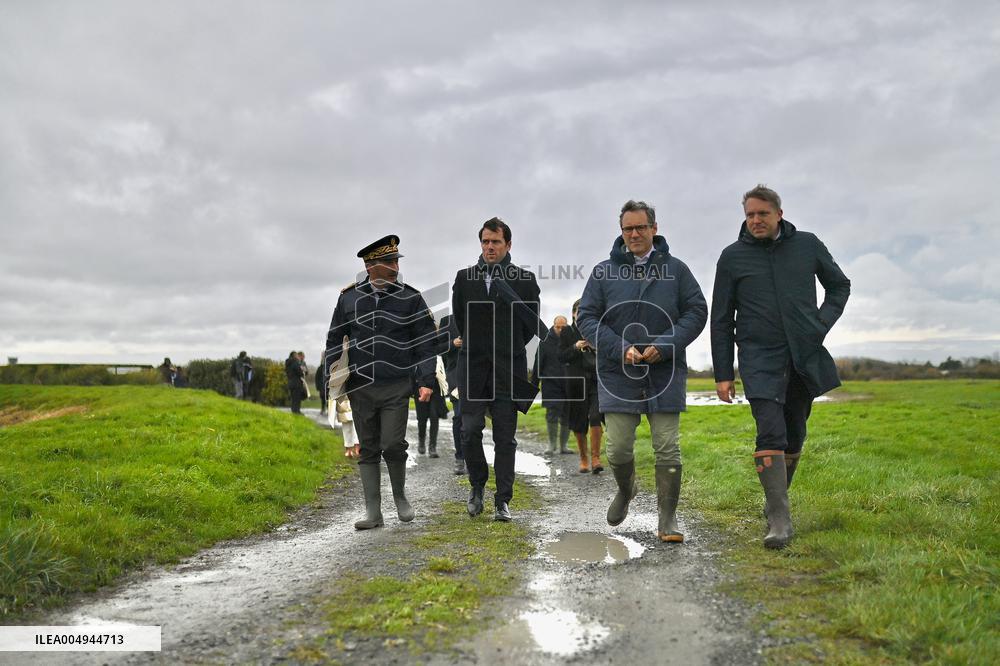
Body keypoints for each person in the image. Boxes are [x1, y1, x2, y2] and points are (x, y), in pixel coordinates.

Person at [711, 185, 850, 549]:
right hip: (758, 358)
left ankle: (775, 502)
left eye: (762, 213)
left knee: (794, 434)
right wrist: (723, 373)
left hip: (802, 356)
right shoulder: (732, 258)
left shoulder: (807, 245)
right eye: (750, 215)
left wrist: (819, 325)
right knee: (769, 431)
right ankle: (779, 519)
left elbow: (839, 286)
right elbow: (722, 319)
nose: (756, 220)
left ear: (778, 214)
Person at [577, 200, 707, 544]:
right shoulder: (603, 272)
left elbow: (696, 311)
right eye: (627, 229)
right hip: (618, 372)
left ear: (654, 228)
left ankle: (668, 518)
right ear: (621, 232)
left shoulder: (676, 270)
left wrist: (665, 345)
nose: (634, 234)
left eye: (640, 227)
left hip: (664, 372)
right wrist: (620, 347)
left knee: (667, 447)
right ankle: (626, 487)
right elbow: (586, 318)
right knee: (618, 449)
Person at [324, 235, 443, 530]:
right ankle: (373, 513)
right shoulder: (347, 298)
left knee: (392, 443)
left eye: (395, 261)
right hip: (361, 386)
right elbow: (333, 340)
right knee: (368, 448)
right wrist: (333, 378)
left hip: (397, 384)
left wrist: (426, 380)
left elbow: (426, 343)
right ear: (370, 266)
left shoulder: (410, 297)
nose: (394, 267)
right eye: (389, 262)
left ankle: (401, 498)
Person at [452, 217, 542, 522]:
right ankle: (477, 485)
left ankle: (503, 500)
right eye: (485, 242)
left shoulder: (525, 280)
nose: (490, 247)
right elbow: (461, 319)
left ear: (508, 245)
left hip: (508, 370)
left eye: (496, 242)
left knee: (505, 438)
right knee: (469, 432)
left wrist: (507, 344)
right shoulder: (464, 278)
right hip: (473, 368)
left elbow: (530, 325)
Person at [559, 301, 603, 473]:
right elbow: (561, 356)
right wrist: (575, 347)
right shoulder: (567, 332)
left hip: (595, 380)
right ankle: (584, 458)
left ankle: (596, 459)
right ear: (573, 314)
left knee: (595, 416)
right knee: (578, 422)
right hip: (576, 382)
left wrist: (595, 347)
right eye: (580, 312)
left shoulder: (597, 330)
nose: (583, 315)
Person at [531, 315, 572, 456]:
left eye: (563, 327)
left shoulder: (572, 340)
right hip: (551, 384)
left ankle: (563, 446)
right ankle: (551, 445)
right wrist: (533, 386)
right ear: (553, 326)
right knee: (552, 414)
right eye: (558, 327)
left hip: (569, 384)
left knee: (567, 415)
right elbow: (538, 364)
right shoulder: (545, 342)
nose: (560, 330)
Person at [439, 314, 467, 475]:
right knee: (459, 416)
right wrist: (452, 343)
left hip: (477, 375)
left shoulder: (481, 316)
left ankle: (472, 458)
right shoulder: (447, 321)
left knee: (473, 421)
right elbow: (437, 348)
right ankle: (460, 458)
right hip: (456, 376)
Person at [315, 351, 329, 415]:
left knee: (329, 398)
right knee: (323, 398)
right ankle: (323, 409)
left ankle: (329, 410)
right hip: (322, 386)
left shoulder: (328, 365)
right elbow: (317, 378)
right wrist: (318, 386)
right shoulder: (320, 368)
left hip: (328, 385)